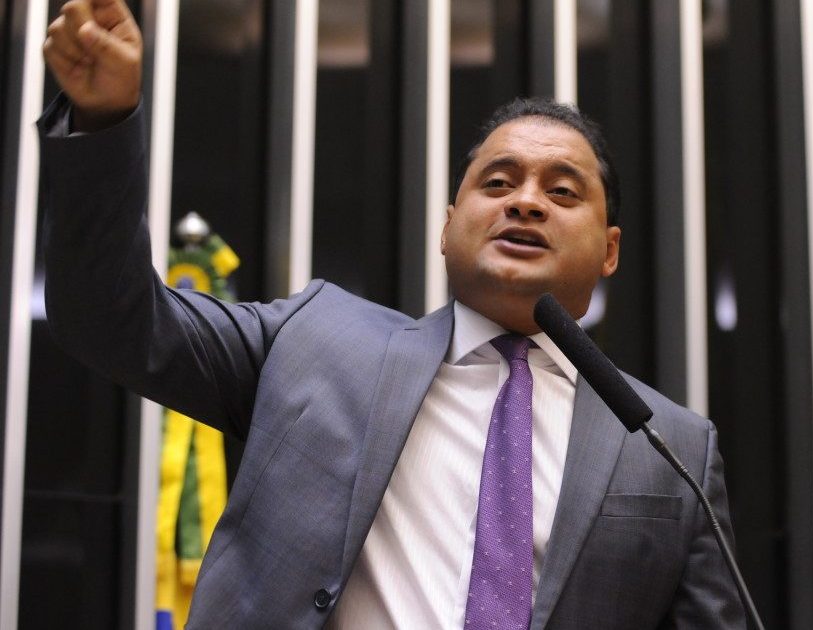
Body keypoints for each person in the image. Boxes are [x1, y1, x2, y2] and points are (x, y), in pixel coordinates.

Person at [40, 1, 745, 628]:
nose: (526, 202)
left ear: (610, 249)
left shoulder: (672, 450)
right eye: (498, 182)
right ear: (448, 225)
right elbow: (110, 317)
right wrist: (104, 122)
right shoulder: (312, 342)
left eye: (562, 192)